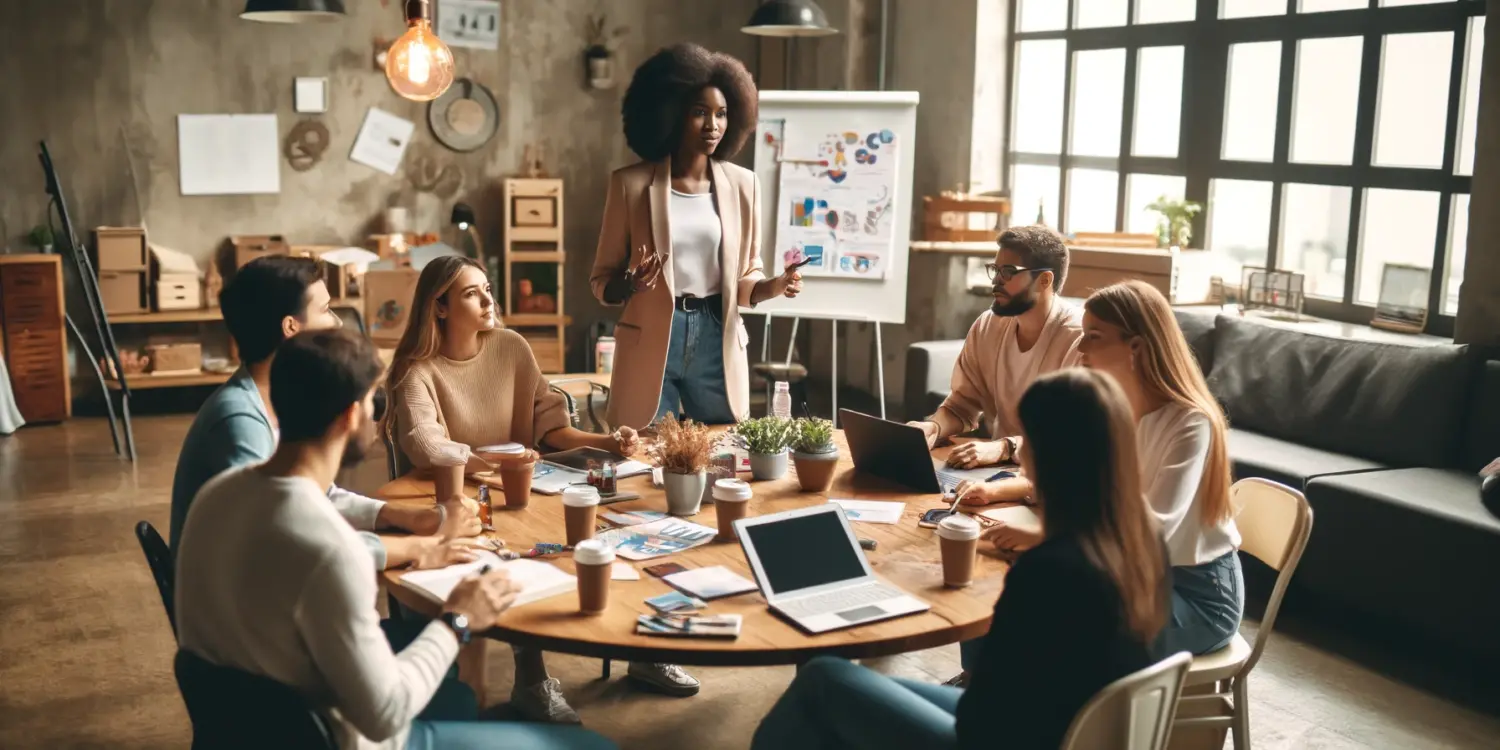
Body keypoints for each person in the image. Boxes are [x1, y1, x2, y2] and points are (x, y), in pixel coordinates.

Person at [176, 329, 616, 750]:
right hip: (339, 738)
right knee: (593, 746)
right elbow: (385, 714)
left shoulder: (217, 494)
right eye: (373, 401)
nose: (377, 412)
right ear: (351, 416)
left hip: (243, 730)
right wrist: (458, 620)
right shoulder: (333, 550)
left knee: (459, 697)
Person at [750, 368, 1171, 750]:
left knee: (824, 679)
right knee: (842, 693)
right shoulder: (1139, 539)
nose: (1022, 458)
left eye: (1031, 444)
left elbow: (980, 716)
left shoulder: (1052, 569)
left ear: (1058, 457)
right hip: (1065, 730)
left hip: (1003, 738)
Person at [383, 256, 699, 715]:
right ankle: (531, 682)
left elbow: (551, 427)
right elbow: (427, 445)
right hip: (463, 500)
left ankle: (646, 653)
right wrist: (502, 456)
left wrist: (608, 440)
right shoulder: (417, 371)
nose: (489, 299)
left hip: (528, 486)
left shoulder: (510, 346)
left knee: (621, 536)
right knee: (512, 551)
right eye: (472, 292)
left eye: (487, 288)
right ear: (440, 307)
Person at [169, 256, 479, 569]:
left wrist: (410, 517)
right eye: (325, 309)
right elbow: (288, 536)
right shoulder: (240, 422)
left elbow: (310, 497)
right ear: (291, 327)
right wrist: (417, 547)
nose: (337, 322)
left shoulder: (277, 396)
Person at [589, 43, 803, 429]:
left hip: (715, 335)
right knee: (647, 453)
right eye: (699, 113)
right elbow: (601, 280)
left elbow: (746, 277)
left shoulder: (743, 185)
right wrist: (631, 283)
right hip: (653, 339)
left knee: (724, 452)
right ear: (671, 114)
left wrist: (775, 285)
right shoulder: (630, 185)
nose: (713, 126)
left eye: (721, 114)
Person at [907, 226, 1083, 504]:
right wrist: (933, 427)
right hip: (994, 474)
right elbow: (961, 406)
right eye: (995, 269)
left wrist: (1003, 447)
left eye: (1009, 272)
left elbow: (1071, 440)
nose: (996, 281)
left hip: (1052, 484)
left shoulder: (1080, 339)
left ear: (1044, 280)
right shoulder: (989, 324)